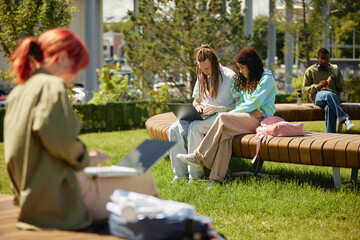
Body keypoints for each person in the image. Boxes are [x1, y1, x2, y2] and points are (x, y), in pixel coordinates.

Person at [4, 28, 159, 230]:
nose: (76, 75)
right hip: (60, 201)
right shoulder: (51, 86)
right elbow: (61, 141)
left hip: (31, 198)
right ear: (60, 58)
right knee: (144, 178)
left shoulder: (19, 92)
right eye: (76, 67)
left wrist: (85, 159)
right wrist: (86, 158)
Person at [176, 47, 277, 189]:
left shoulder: (267, 79)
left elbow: (254, 102)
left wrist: (236, 111)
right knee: (225, 136)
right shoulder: (250, 80)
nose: (240, 71)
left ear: (251, 65)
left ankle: (199, 157)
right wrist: (250, 108)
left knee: (223, 118)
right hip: (247, 116)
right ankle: (216, 179)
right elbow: (243, 101)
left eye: (242, 67)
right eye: (239, 67)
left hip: (261, 120)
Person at [168, 44, 239, 183]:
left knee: (195, 127)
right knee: (173, 129)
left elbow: (239, 104)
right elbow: (196, 100)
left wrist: (218, 108)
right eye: (202, 69)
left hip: (221, 115)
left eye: (207, 68)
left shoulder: (230, 77)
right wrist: (197, 106)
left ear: (215, 63)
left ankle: (195, 176)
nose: (205, 72)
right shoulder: (202, 77)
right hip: (202, 115)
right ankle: (180, 174)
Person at [302, 48, 354, 133]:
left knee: (329, 108)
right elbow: (304, 90)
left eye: (327, 59)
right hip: (318, 96)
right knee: (328, 94)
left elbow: (343, 88)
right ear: (317, 58)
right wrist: (318, 86)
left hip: (334, 98)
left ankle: (331, 135)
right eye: (323, 59)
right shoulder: (310, 70)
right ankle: (343, 118)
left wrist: (338, 81)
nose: (325, 61)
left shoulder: (334, 69)